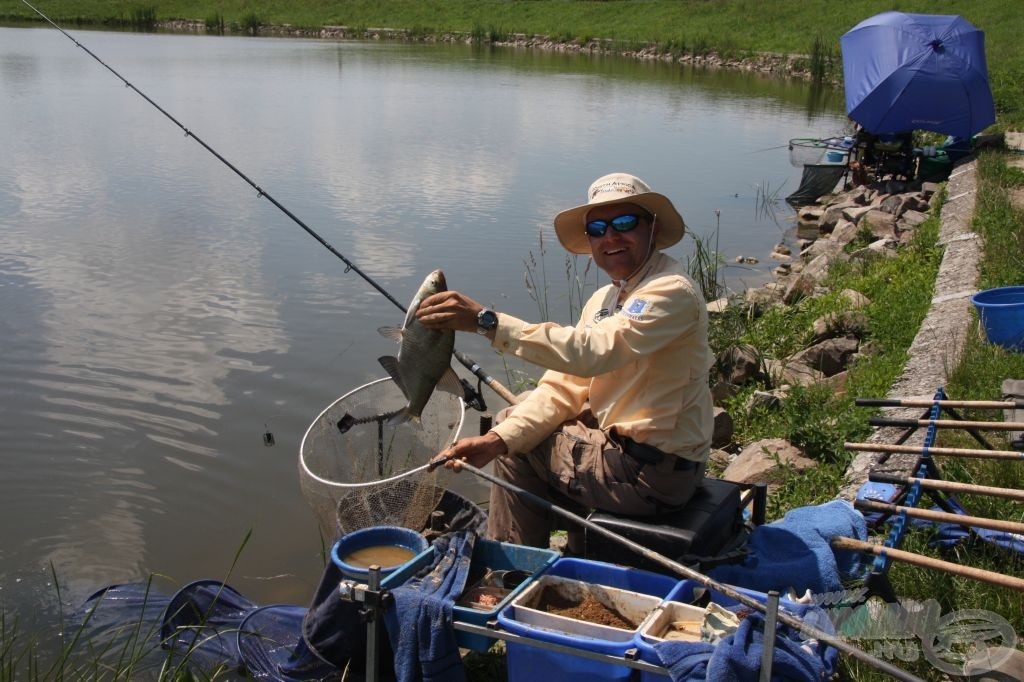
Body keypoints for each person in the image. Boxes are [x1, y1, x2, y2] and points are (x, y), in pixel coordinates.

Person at [416, 173, 714, 549]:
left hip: (651, 475)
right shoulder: (605, 299)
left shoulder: (670, 290)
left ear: (652, 228)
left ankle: (510, 568)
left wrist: (485, 322)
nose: (610, 237)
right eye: (598, 228)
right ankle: (576, 546)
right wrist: (494, 440)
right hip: (630, 461)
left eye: (624, 223)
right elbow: (563, 386)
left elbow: (591, 352)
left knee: (521, 450)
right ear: (589, 240)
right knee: (519, 419)